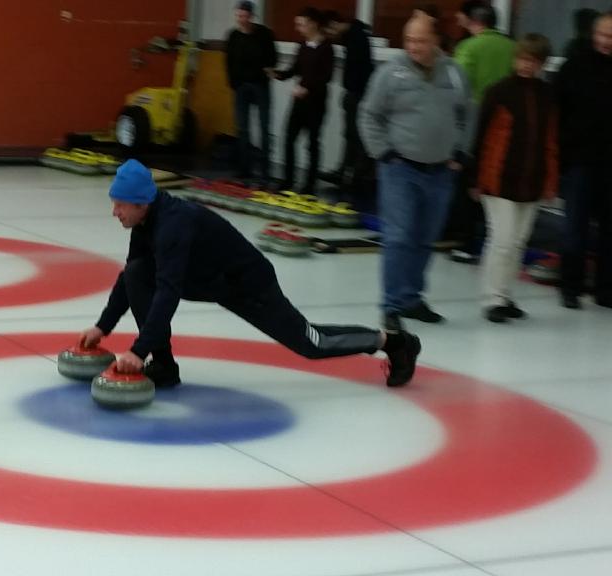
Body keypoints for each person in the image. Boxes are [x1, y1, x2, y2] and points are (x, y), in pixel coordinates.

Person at [79, 159, 422, 388]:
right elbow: (131, 277)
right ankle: (164, 367)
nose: (114, 212)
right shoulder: (145, 222)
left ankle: (394, 342)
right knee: (137, 273)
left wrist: (138, 351)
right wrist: (102, 326)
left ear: (141, 203)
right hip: (210, 279)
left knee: (310, 343)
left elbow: (168, 292)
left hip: (248, 284)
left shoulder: (173, 226)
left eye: (120, 204)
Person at [359, 15, 473, 332]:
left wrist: (460, 151)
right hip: (400, 170)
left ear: (436, 40)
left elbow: (466, 114)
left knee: (425, 238)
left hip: (440, 173)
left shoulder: (454, 73)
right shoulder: (390, 73)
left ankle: (412, 298)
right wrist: (383, 152)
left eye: (420, 41)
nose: (413, 47)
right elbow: (368, 114)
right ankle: (391, 305)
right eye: (409, 40)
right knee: (398, 237)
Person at [472, 34, 559, 322]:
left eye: (532, 61)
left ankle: (505, 294)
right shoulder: (498, 92)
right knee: (502, 240)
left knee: (519, 242)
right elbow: (481, 137)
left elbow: (550, 142)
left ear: (542, 63)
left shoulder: (547, 95)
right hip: (497, 180)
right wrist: (476, 179)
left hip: (532, 181)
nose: (525, 65)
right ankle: (492, 298)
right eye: (522, 59)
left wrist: (550, 180)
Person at [447, 2, 516, 264]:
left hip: (474, 123)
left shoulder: (469, 47)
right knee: (495, 183)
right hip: (505, 125)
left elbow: (456, 87)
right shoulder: (512, 47)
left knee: (469, 183)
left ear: (473, 21)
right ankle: (493, 242)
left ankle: (466, 242)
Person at [555, 12, 612, 309]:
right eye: (603, 35)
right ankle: (570, 287)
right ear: (593, 34)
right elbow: (557, 112)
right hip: (579, 162)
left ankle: (606, 289)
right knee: (574, 228)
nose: (606, 42)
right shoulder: (574, 66)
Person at [276, 7, 335, 194]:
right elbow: (295, 69)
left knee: (312, 143)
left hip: (316, 102)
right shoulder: (302, 45)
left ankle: (309, 185)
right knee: (288, 139)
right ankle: (288, 181)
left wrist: (307, 88)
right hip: (299, 102)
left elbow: (326, 77)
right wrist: (279, 74)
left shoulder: (327, 47)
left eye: (301, 24)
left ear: (313, 24)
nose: (298, 28)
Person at [225, 0, 279, 183]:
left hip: (260, 85)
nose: (241, 20)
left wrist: (266, 71)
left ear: (252, 17)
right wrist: (233, 83)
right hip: (241, 85)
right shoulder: (233, 36)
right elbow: (229, 61)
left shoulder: (264, 34)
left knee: (264, 127)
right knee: (242, 129)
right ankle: (244, 168)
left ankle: (265, 170)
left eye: (245, 16)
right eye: (239, 16)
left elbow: (272, 57)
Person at [324, 10, 374, 201]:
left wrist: (352, 90)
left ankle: (356, 177)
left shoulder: (357, 37)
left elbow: (361, 69)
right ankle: (345, 172)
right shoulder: (352, 36)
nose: (331, 35)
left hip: (359, 94)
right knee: (349, 135)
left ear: (335, 23)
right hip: (353, 92)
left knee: (356, 137)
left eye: (330, 30)